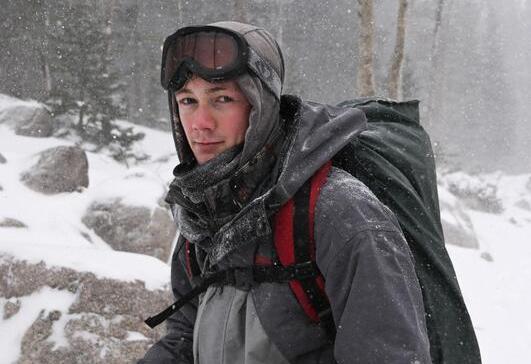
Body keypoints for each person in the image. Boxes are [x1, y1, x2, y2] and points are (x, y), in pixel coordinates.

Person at [140, 21, 432, 363]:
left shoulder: (341, 213)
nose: (200, 123)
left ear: (259, 104)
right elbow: (185, 338)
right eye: (188, 101)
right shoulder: (202, 213)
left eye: (222, 99)